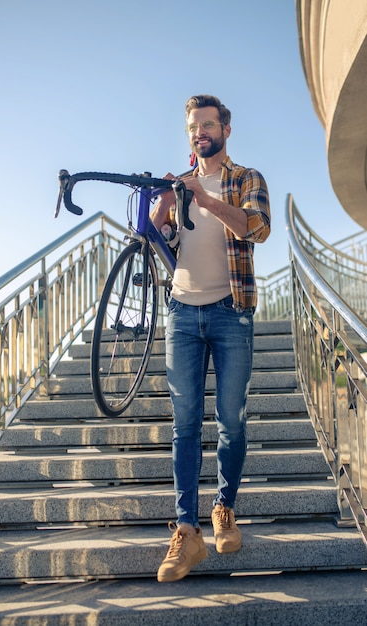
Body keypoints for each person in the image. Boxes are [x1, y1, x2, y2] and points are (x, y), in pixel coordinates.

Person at [151, 94, 271, 583]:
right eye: (192, 127)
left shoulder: (247, 179)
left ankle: (224, 506)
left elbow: (256, 228)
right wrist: (160, 209)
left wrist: (206, 199)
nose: (199, 132)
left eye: (207, 124)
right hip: (181, 312)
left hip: (230, 313)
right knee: (184, 427)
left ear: (225, 128)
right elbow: (159, 244)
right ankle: (186, 531)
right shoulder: (177, 185)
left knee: (232, 422)